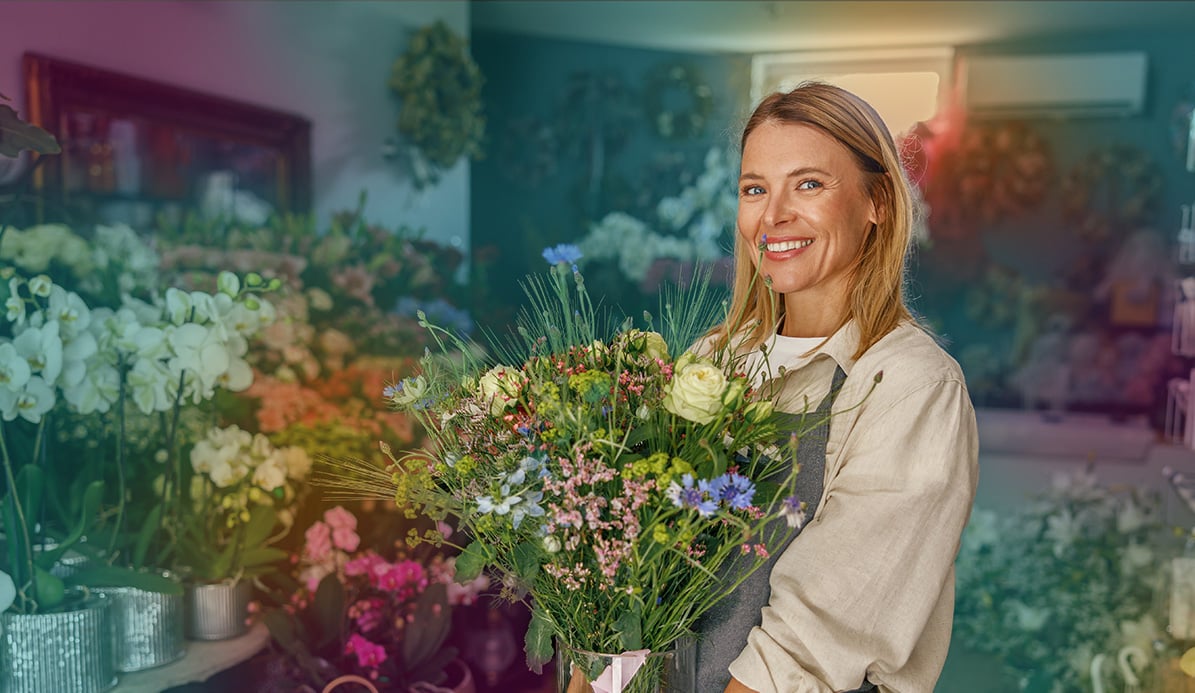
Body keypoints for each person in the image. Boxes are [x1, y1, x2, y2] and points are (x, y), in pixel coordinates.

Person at [694, 82, 979, 692]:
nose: (773, 216)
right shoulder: (712, 362)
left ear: (877, 200)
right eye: (754, 189)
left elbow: (813, 644)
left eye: (809, 184)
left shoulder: (911, 387)